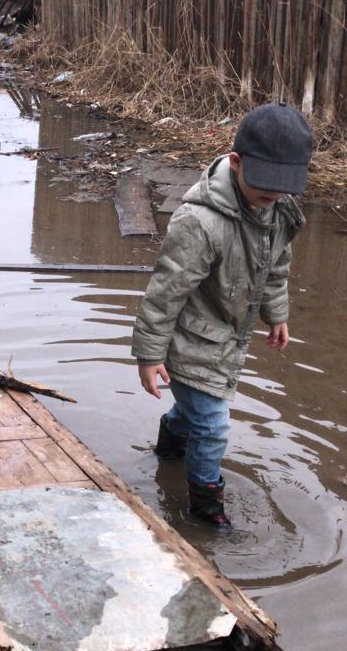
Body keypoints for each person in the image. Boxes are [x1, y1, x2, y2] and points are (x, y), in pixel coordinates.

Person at [131, 101, 313, 531]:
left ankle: (169, 450)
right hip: (189, 340)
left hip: (226, 338)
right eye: (264, 189)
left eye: (281, 190)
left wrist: (277, 313)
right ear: (235, 163)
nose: (271, 200)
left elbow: (276, 265)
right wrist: (149, 354)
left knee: (191, 413)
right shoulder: (199, 222)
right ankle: (205, 511)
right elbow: (165, 293)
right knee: (212, 426)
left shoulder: (278, 211)